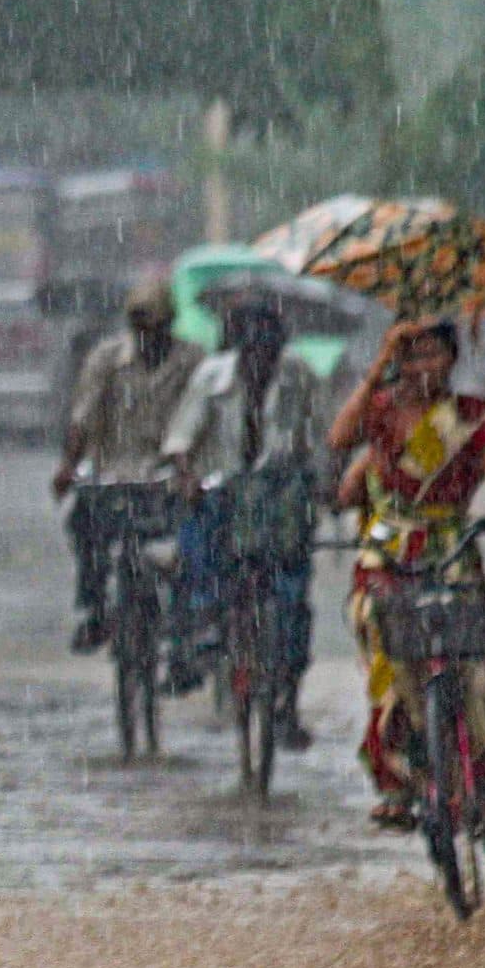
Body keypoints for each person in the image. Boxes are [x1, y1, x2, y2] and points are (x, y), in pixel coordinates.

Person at [326, 318, 485, 846]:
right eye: (412, 356)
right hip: (386, 554)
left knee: (482, 671)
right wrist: (379, 365)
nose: (424, 367)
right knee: (389, 664)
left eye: (434, 355)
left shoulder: (474, 416)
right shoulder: (380, 408)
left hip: (452, 550)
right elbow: (338, 438)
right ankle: (398, 782)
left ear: (453, 358)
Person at [158, 297, 327, 738]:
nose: (260, 362)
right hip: (224, 491)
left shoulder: (300, 376)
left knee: (292, 598)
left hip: (280, 497)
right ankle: (199, 629)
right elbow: (181, 438)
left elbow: (321, 438)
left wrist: (325, 484)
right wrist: (187, 475)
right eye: (252, 351)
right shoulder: (211, 377)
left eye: (268, 352)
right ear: (238, 349)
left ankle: (287, 699)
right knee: (198, 548)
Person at [51, 279, 205, 652]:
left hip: (171, 477)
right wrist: (69, 466)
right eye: (139, 327)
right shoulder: (106, 360)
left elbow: (201, 417)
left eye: (155, 327)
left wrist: (190, 470)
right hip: (115, 475)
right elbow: (83, 416)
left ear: (169, 324)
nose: (147, 336)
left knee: (196, 537)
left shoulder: (193, 361)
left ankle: (194, 620)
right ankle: (94, 607)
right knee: (84, 523)